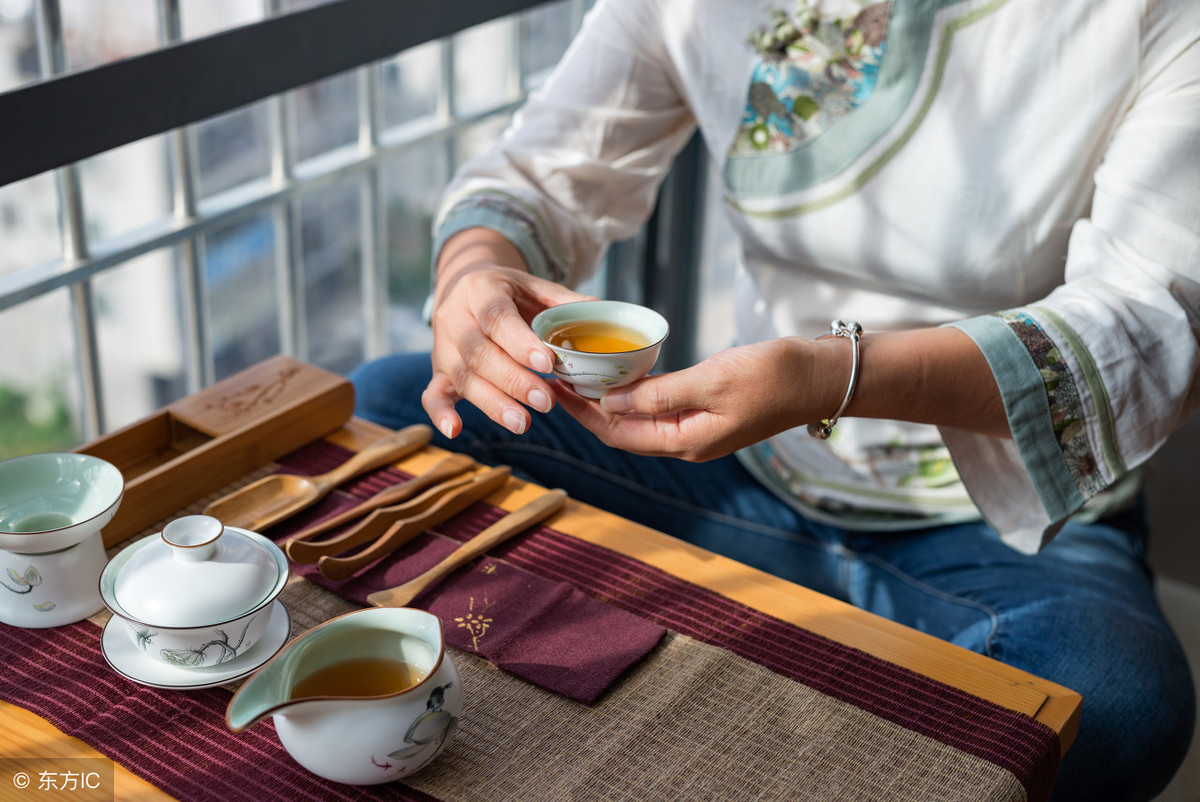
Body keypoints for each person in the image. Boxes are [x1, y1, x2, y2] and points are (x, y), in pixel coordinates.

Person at [350, 0, 1198, 798]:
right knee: (392, 409)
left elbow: (1151, 319)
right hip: (747, 466)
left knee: (1117, 703)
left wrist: (831, 378)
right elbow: (541, 170)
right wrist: (471, 276)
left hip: (1007, 523)